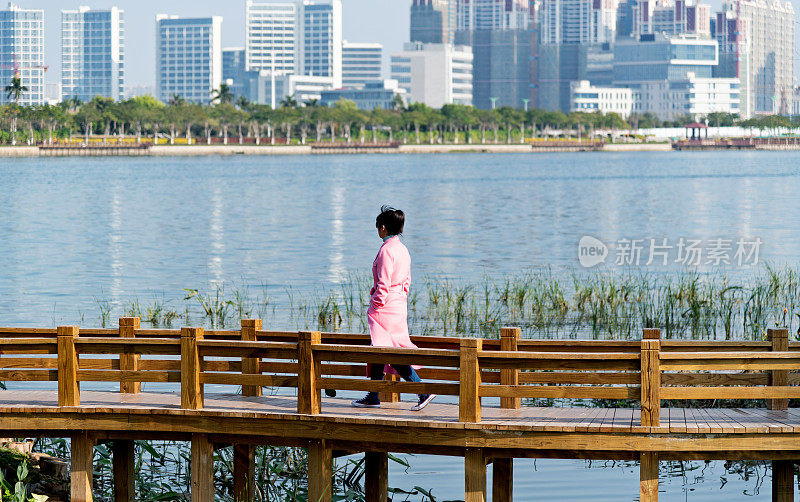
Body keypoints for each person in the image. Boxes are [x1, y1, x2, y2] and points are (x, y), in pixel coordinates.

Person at [351, 205, 436, 411]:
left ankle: (422, 390)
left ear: (383, 228)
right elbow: (406, 281)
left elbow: (383, 282)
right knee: (381, 349)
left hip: (386, 308)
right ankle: (373, 395)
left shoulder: (386, 250)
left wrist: (376, 303)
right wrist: (399, 297)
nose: (377, 231)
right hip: (399, 304)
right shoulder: (403, 249)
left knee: (389, 351)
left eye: (377, 227)